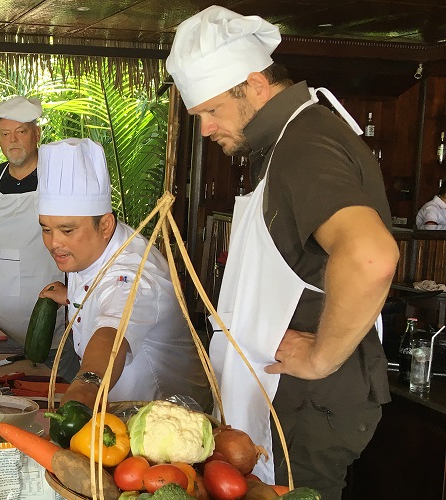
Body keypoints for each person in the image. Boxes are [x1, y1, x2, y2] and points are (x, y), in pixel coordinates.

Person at [166, 6, 399, 496]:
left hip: (303, 407)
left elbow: (371, 257)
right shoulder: (283, 140)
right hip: (280, 401)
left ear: (254, 84)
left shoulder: (305, 143)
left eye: (212, 110)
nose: (205, 129)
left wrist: (320, 357)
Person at [35, 138, 209, 409]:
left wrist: (85, 385)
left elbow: (112, 332)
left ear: (105, 225)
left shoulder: (134, 272)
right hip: (115, 408)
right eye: (46, 229)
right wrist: (74, 296)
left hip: (164, 416)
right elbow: (99, 289)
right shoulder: (91, 249)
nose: (53, 242)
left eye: (67, 230)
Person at [0, 96, 74, 380]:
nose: (12, 140)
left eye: (21, 132)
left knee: (43, 384)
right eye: (5, 134)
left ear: (36, 134)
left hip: (43, 304)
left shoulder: (56, 179)